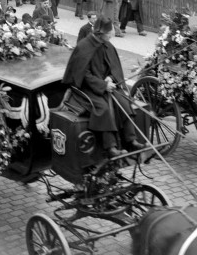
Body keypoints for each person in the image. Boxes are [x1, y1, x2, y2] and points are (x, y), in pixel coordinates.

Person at [62, 18, 145, 158]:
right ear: (100, 33)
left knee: (124, 103)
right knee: (103, 108)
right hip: (86, 88)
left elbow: (113, 67)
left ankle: (131, 140)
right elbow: (83, 75)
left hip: (106, 86)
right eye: (109, 33)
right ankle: (110, 147)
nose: (111, 35)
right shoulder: (83, 46)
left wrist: (110, 78)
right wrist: (102, 85)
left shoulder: (107, 45)